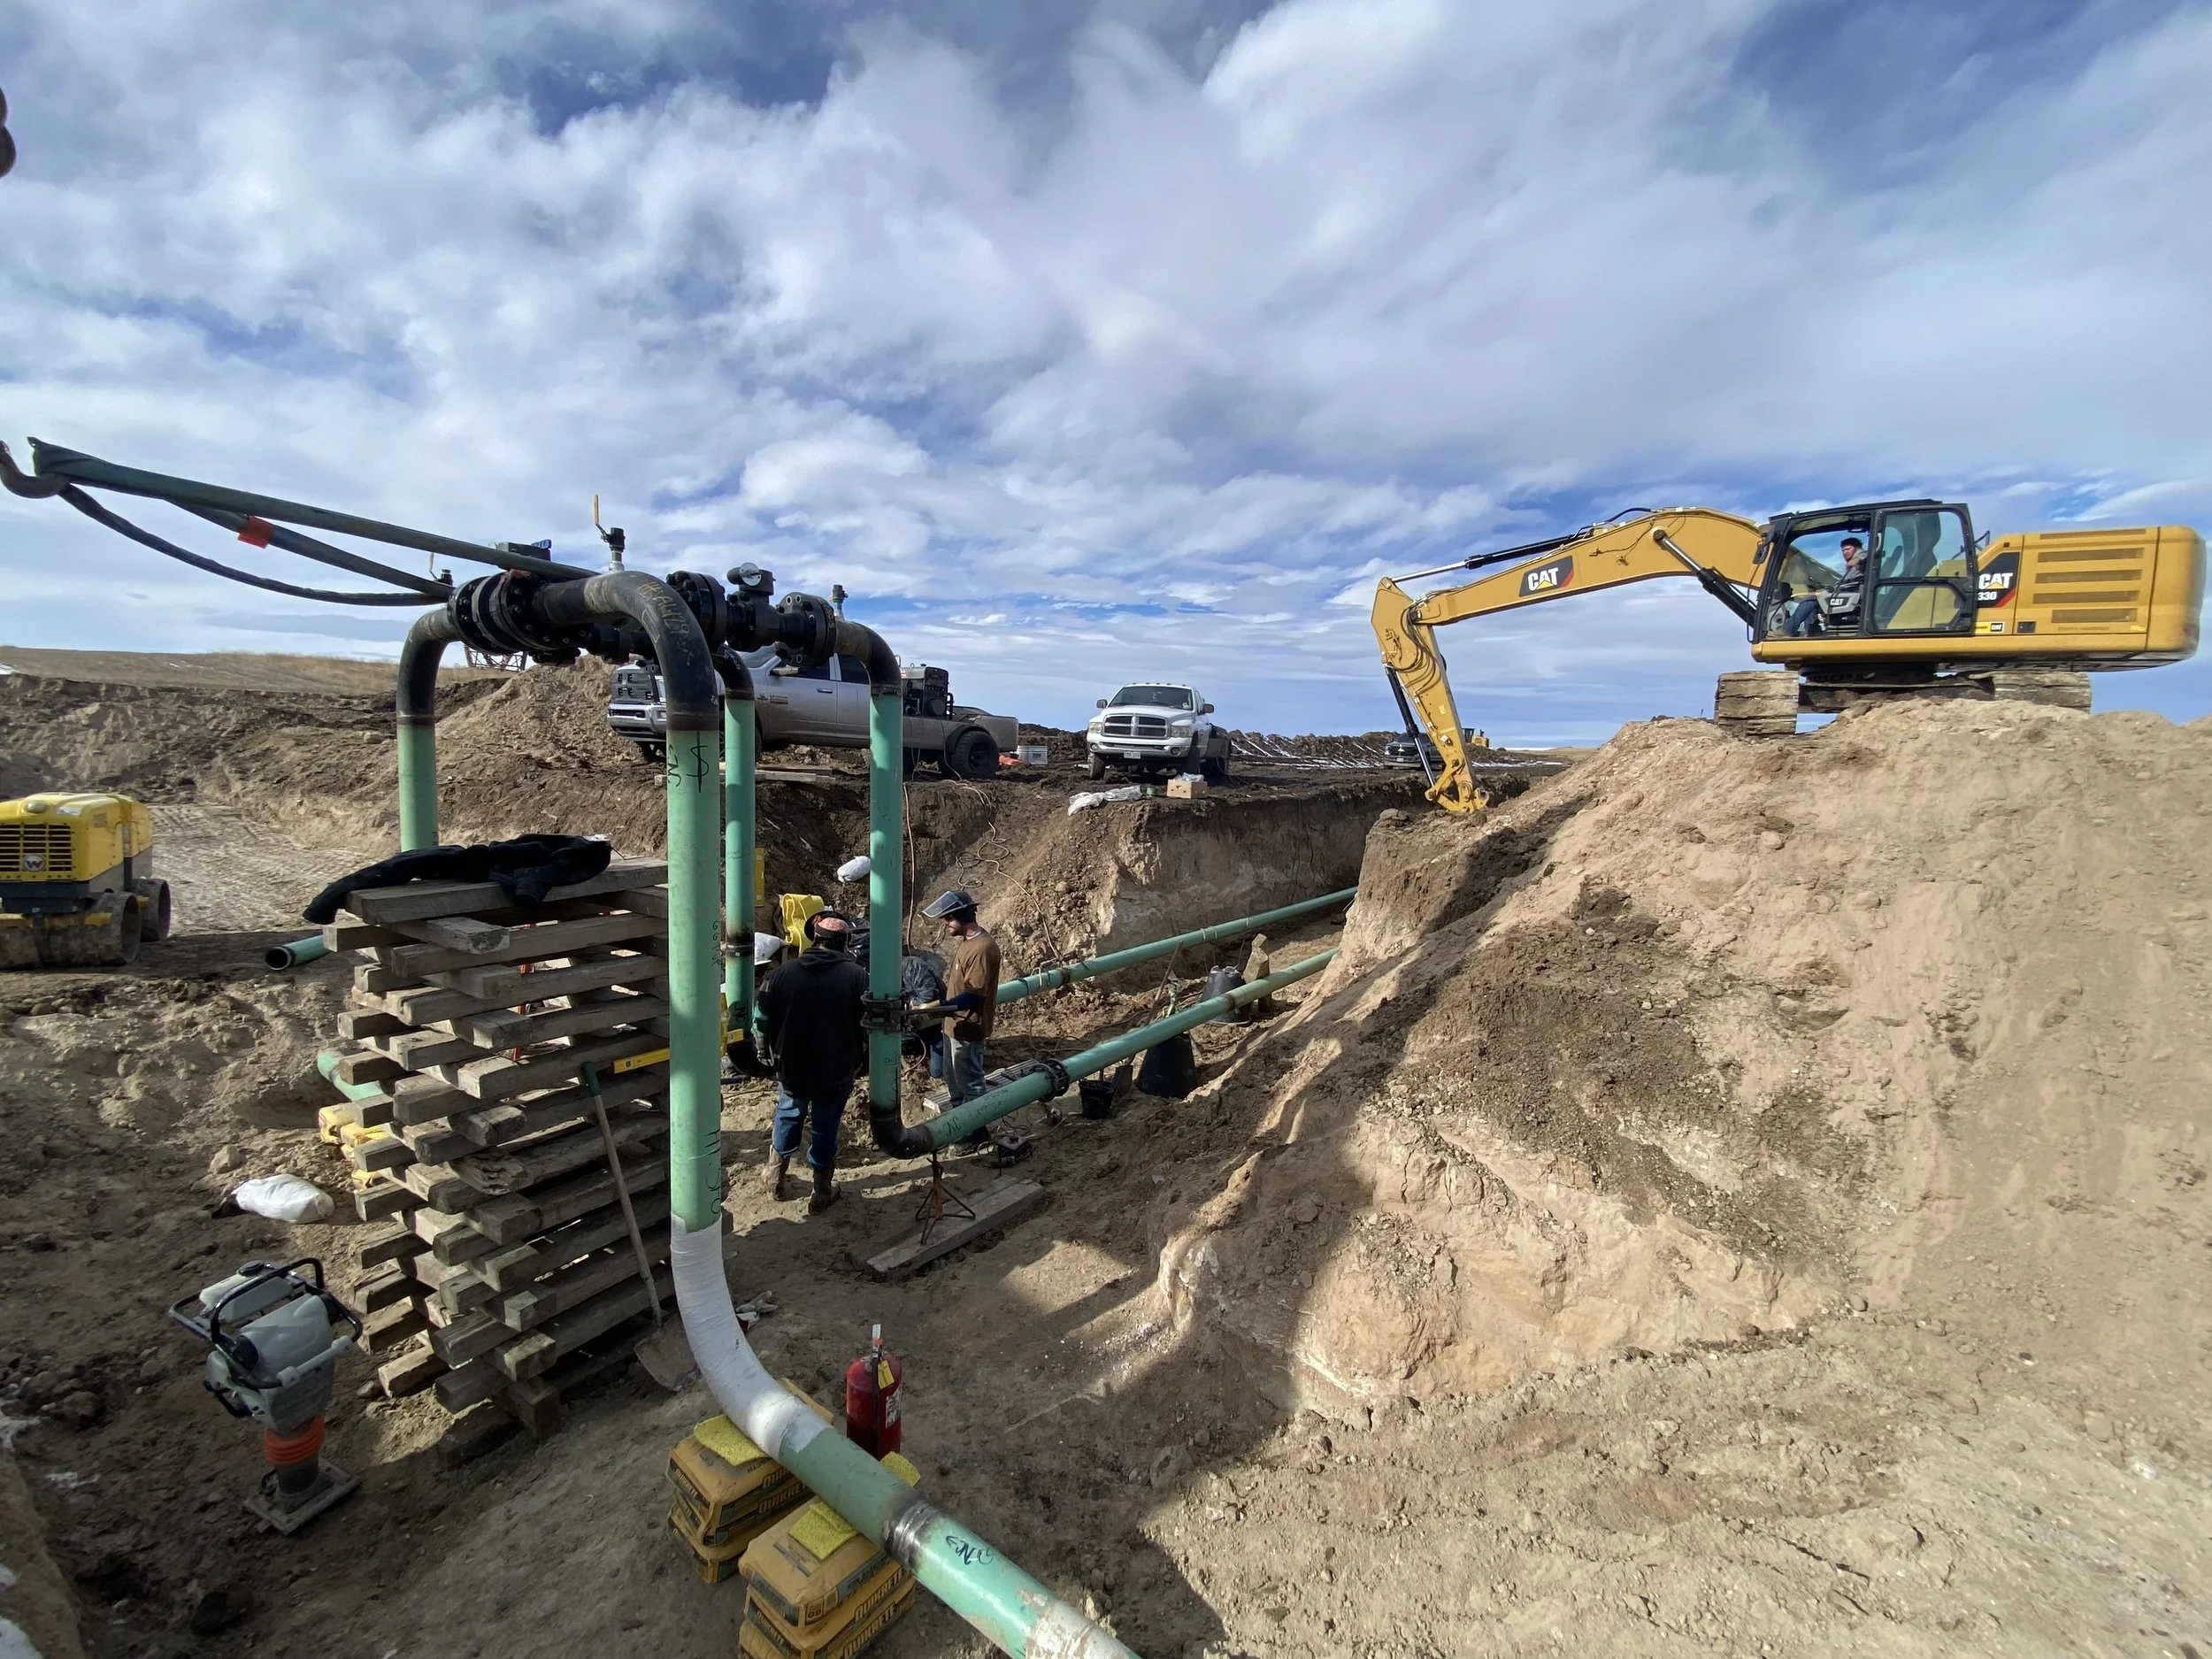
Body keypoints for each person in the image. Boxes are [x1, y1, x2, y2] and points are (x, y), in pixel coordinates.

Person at [755, 911, 867, 1213]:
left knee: (789, 1114)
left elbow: (761, 1019)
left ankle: (775, 1178)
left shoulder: (781, 974)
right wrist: (862, 1059)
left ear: (814, 939)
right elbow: (869, 1025)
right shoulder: (857, 977)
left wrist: (764, 1052)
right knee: (826, 1125)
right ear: (844, 944)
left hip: (791, 1066)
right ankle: (822, 1190)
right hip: (836, 1067)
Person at [922, 888, 1001, 1122]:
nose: (946, 924)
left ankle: (976, 1131)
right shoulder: (968, 942)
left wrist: (939, 1006)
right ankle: (961, 1124)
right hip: (953, 1026)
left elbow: (973, 997)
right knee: (953, 1078)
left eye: (949, 918)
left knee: (971, 1084)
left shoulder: (982, 949)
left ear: (962, 917)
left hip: (968, 1027)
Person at [1786, 536, 1866, 636]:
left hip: (1853, 592)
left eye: (1848, 549)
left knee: (1810, 600)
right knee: (1814, 600)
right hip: (1848, 591)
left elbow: (1864, 555)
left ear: (1857, 548)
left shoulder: (1862, 555)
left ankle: (1788, 631)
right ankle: (1812, 631)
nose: (1845, 552)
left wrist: (1857, 559)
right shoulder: (1852, 566)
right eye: (1843, 550)